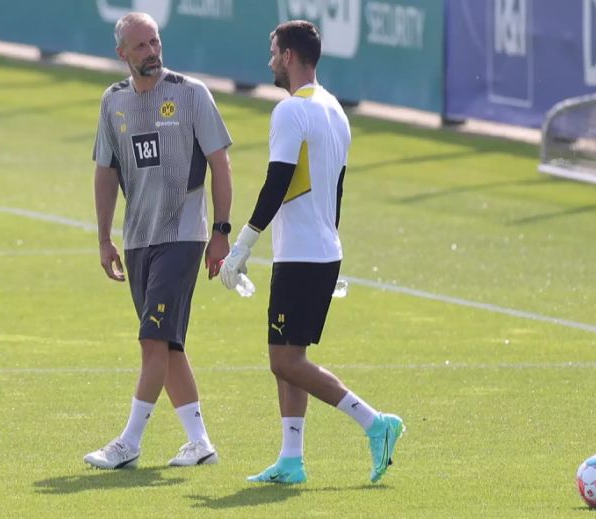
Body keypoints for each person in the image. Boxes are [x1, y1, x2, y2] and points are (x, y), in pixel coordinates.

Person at [219, 20, 404, 484]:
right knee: (289, 358)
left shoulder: (290, 112)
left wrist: (241, 247)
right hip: (316, 250)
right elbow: (334, 190)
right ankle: (291, 460)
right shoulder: (335, 109)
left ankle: (375, 422)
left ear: (289, 56)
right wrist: (329, 244)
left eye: (273, 51)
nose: (269, 61)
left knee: (284, 361)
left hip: (303, 254)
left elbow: (278, 181)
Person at [84, 11, 233, 470]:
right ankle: (199, 442)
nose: (151, 52)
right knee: (167, 346)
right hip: (137, 241)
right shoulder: (113, 102)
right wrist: (104, 238)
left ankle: (129, 442)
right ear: (122, 54)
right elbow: (105, 172)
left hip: (183, 236)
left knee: (152, 339)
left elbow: (220, 165)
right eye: (141, 46)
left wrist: (221, 233)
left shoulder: (191, 95)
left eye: (155, 42)